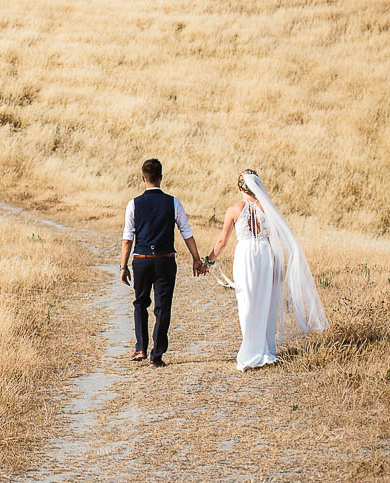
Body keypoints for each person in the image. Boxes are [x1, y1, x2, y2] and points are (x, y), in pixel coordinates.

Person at [205, 169, 329, 370]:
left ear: (239, 188)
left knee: (247, 300)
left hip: (245, 256)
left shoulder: (234, 209)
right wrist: (278, 264)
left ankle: (251, 351)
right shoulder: (267, 208)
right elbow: (276, 239)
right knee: (265, 300)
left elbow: (222, 241)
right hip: (265, 255)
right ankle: (265, 349)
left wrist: (209, 261)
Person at [119, 158, 207, 367]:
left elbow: (127, 237)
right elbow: (186, 232)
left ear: (143, 178)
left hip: (141, 260)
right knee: (162, 307)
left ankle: (140, 346)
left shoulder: (133, 203)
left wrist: (123, 266)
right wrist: (196, 258)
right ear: (161, 177)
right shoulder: (173, 202)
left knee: (140, 303)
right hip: (165, 261)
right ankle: (156, 355)